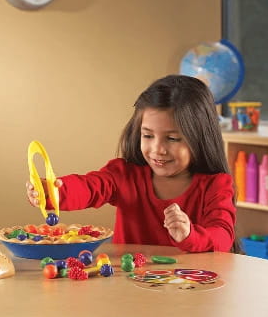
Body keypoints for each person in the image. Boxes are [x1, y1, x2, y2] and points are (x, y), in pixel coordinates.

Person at [26, 75, 236, 253]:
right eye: (148, 135)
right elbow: (91, 186)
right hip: (128, 290)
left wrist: (189, 234)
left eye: (172, 139)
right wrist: (53, 192)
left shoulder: (215, 185)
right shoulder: (125, 175)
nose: (157, 149)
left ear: (199, 138)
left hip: (190, 291)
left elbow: (222, 237)